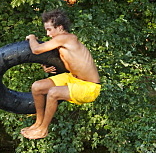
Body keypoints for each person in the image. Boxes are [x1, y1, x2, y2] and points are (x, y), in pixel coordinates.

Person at [20, 9, 101, 140]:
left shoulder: (67, 38)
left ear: (60, 27)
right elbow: (69, 62)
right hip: (72, 78)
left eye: (49, 29)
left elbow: (36, 49)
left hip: (89, 87)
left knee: (53, 92)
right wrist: (45, 66)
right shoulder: (61, 42)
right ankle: (38, 123)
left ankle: (43, 129)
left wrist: (32, 38)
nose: (47, 34)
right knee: (37, 87)